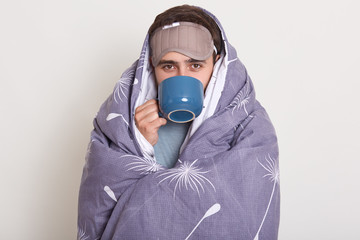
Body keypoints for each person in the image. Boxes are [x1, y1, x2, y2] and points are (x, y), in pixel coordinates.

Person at [78, 5, 280, 240]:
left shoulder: (250, 124)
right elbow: (99, 203)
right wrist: (141, 144)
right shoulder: (120, 121)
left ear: (216, 64)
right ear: (151, 66)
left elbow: (249, 211)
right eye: (168, 66)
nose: (182, 76)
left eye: (195, 65)